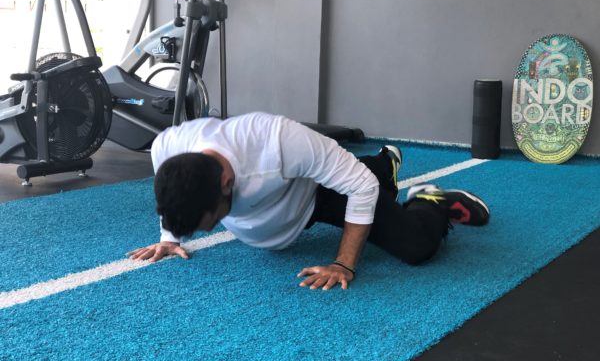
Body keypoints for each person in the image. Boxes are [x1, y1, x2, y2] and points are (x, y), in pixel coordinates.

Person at [128, 112, 489, 290]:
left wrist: (344, 263)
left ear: (226, 182)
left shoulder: (278, 142)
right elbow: (172, 189)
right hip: (285, 196)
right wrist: (170, 236)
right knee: (355, 174)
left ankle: (428, 199)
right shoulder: (167, 146)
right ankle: (384, 165)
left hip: (314, 197)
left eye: (209, 223)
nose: (208, 230)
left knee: (416, 246)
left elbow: (360, 188)